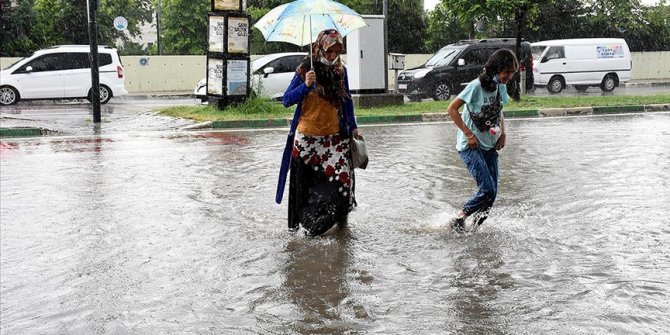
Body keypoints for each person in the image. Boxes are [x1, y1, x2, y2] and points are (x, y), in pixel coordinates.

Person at [275, 29, 361, 236]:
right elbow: (287, 100)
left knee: (343, 183)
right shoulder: (306, 69)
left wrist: (353, 126)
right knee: (306, 189)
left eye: (337, 51)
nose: (333, 56)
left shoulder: (341, 70)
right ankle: (311, 227)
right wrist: (306, 85)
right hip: (308, 142)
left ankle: (342, 228)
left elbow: (346, 100)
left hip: (334, 140)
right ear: (320, 47)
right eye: (330, 51)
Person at [446, 49, 519, 232]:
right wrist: (469, 135)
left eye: (512, 73)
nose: (509, 76)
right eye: (507, 72)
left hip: (490, 145)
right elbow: (452, 109)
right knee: (487, 189)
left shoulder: (500, 86)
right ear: (496, 69)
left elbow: (499, 110)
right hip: (471, 146)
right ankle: (460, 216)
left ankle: (474, 230)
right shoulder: (475, 86)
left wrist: (503, 133)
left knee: (492, 194)